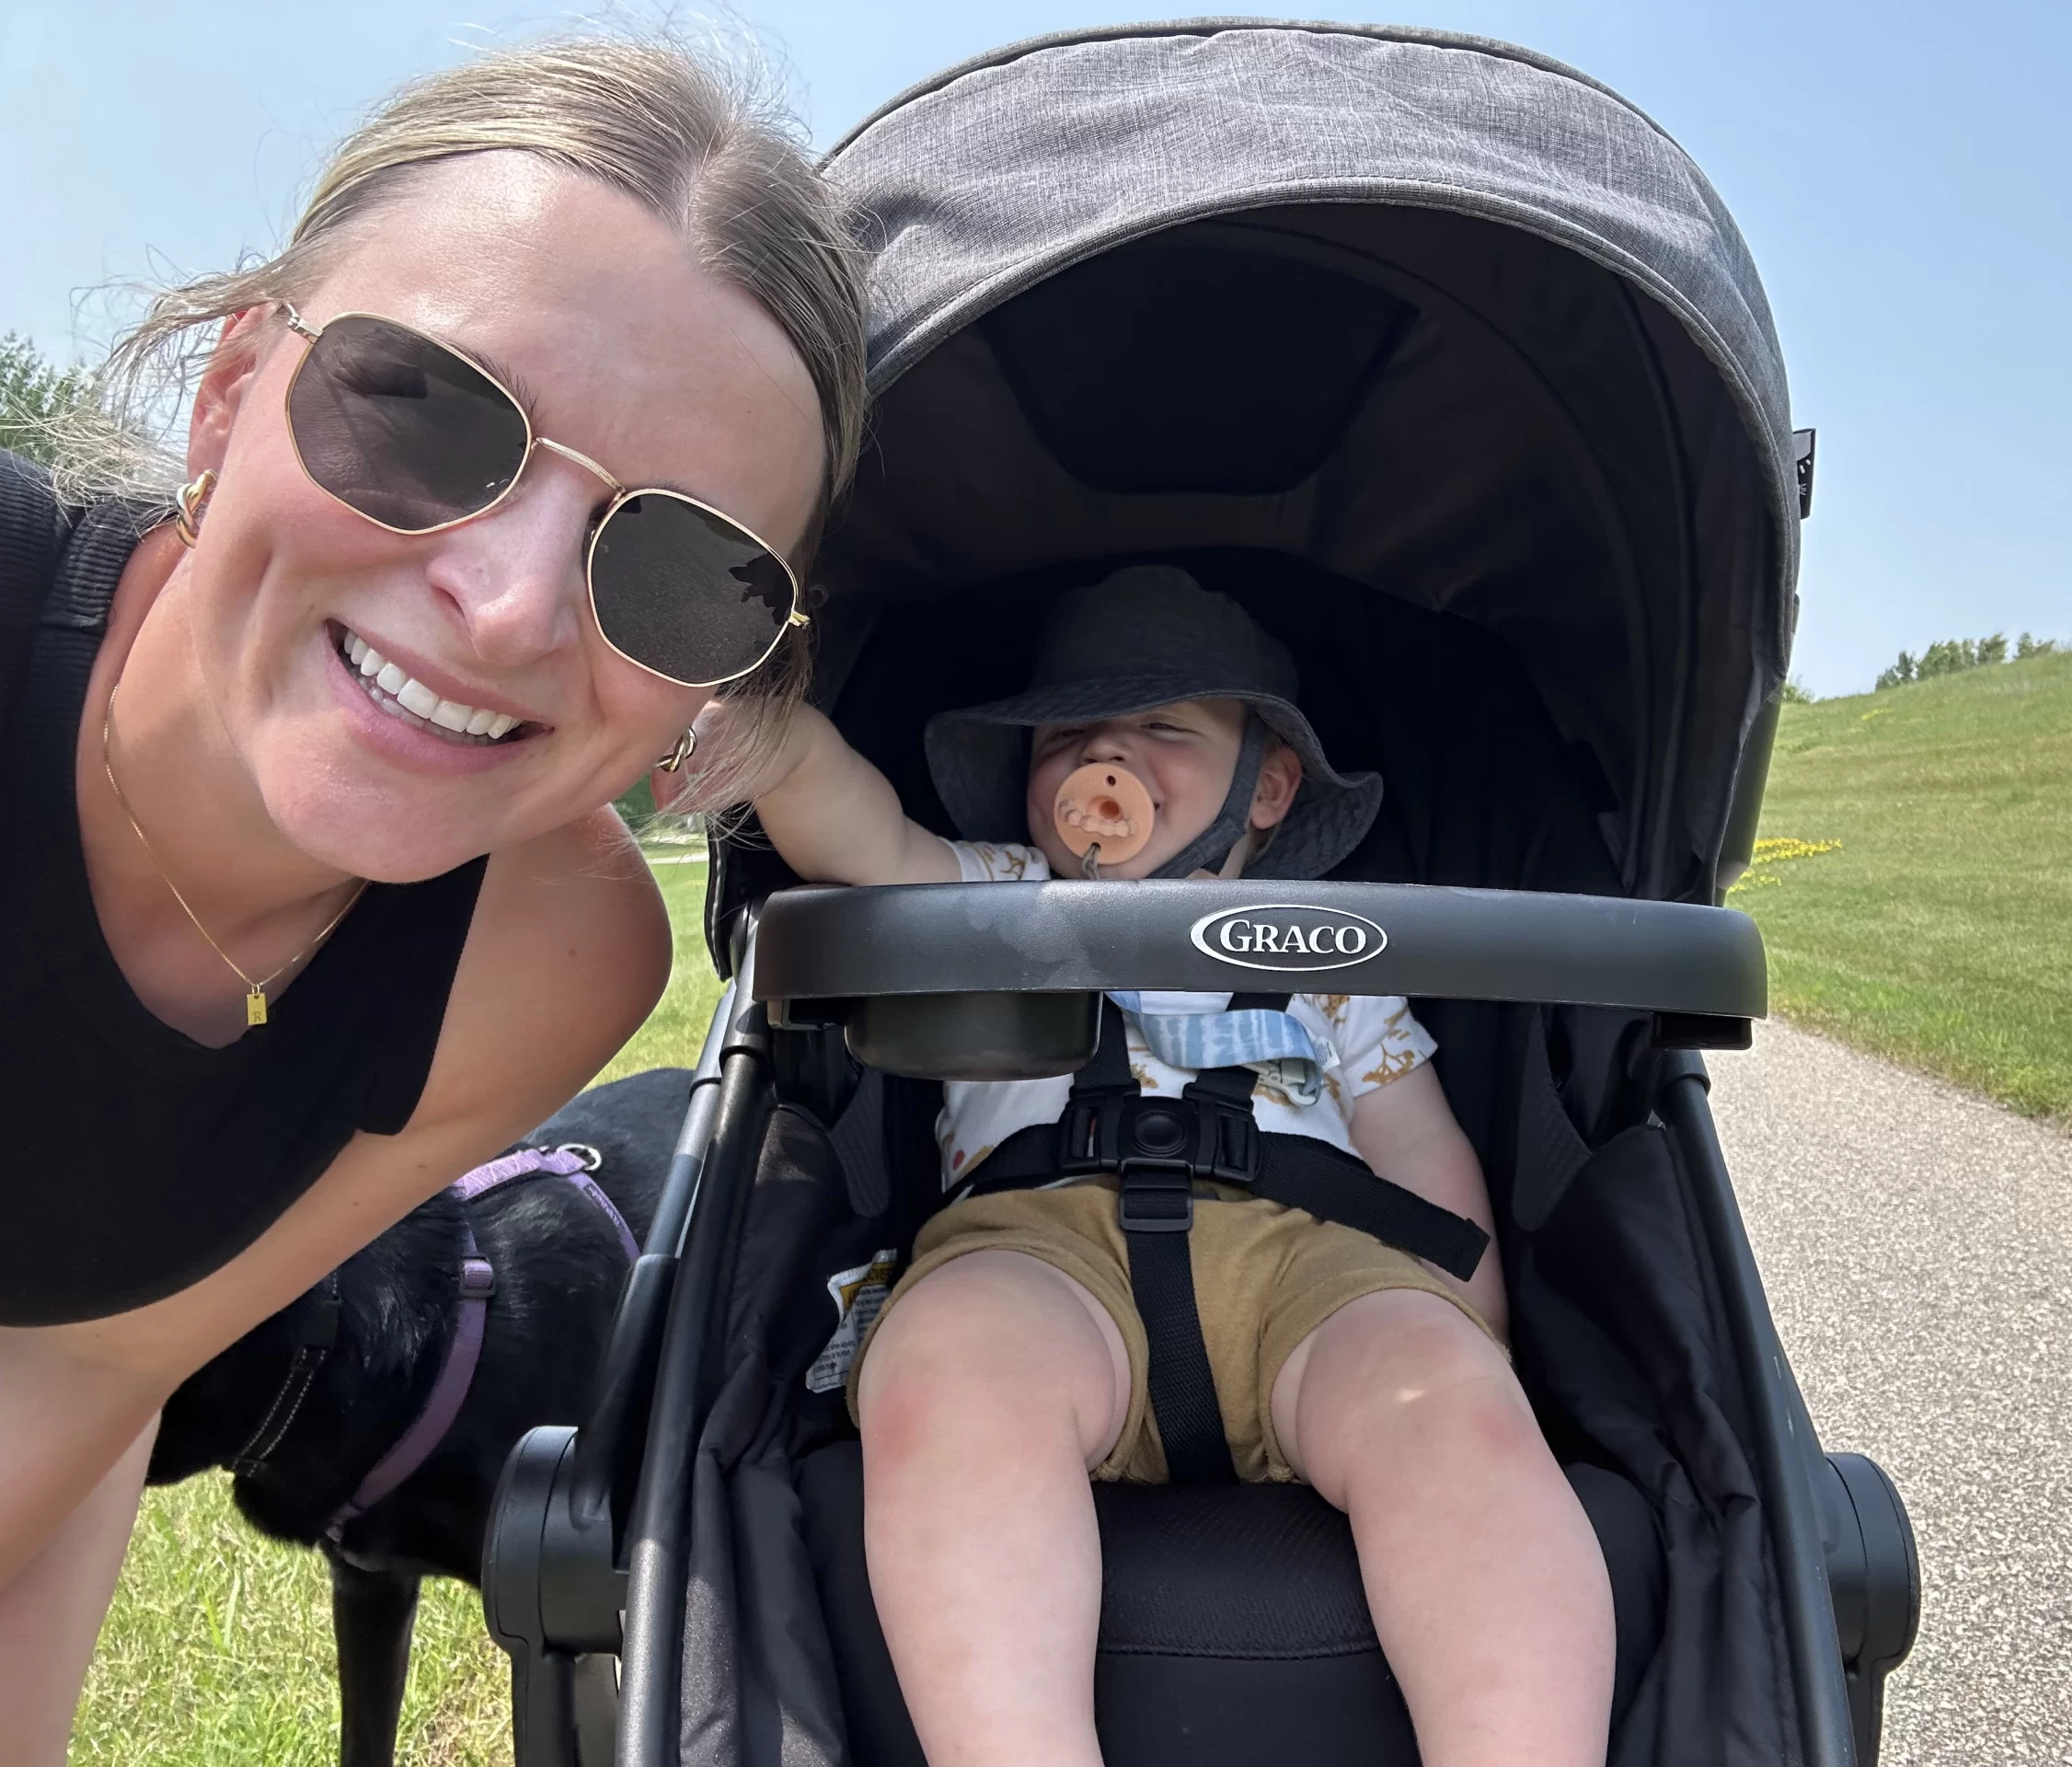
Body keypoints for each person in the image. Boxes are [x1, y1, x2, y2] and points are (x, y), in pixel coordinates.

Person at [0, 36, 865, 1754]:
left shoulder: (548, 961)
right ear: (233, 388)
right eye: (425, 413)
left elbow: (90, 1373)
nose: (510, 605)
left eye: (680, 571)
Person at [722, 567, 1617, 1767]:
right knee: (946, 1372)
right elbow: (865, 838)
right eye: (1069, 738)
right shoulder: (997, 896)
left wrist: (1470, 1331)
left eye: (1162, 728)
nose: (1108, 759)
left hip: (1311, 1262)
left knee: (1449, 1404)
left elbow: (1416, 1143)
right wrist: (777, 742)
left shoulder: (1329, 947)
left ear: (1270, 787)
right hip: (1040, 1251)